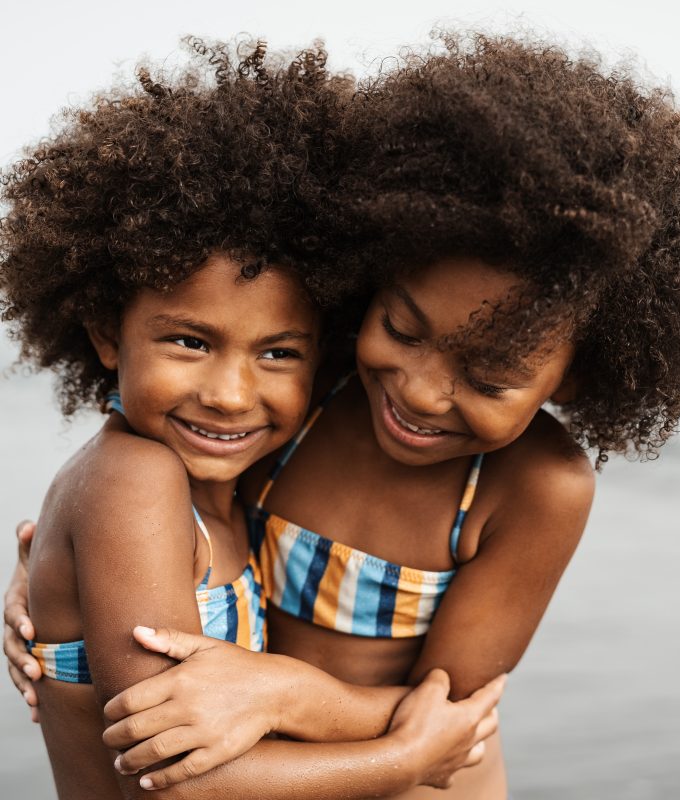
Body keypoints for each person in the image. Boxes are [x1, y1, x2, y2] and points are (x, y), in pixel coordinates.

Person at [5, 32, 680, 799]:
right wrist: (55, 590)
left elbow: (449, 719)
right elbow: (150, 506)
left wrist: (281, 690)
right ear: (372, 274)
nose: (423, 393)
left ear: (584, 375)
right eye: (400, 329)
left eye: (491, 377)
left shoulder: (535, 487)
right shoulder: (305, 389)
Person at [0, 38, 504, 800]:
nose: (231, 395)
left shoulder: (227, 484)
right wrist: (405, 758)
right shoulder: (135, 481)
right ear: (107, 332)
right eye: (189, 341)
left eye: (278, 353)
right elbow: (178, 776)